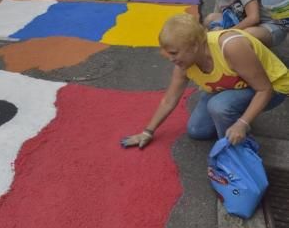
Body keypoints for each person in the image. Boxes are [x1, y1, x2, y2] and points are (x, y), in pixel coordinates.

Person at [121, 13, 288, 150]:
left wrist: (242, 124)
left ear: (194, 46)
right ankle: (237, 113)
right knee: (197, 130)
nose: (170, 59)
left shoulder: (231, 46)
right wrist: (147, 132)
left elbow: (264, 89)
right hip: (233, 87)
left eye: (174, 53)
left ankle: (236, 153)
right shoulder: (184, 63)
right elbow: (169, 100)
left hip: (273, 88)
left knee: (219, 106)